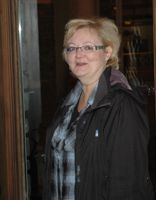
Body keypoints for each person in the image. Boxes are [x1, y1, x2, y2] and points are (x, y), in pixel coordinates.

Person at [43, 17, 154, 200]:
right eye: (71, 48)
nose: (78, 54)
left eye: (88, 47)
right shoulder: (67, 104)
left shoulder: (121, 105)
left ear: (107, 52)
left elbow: (126, 185)